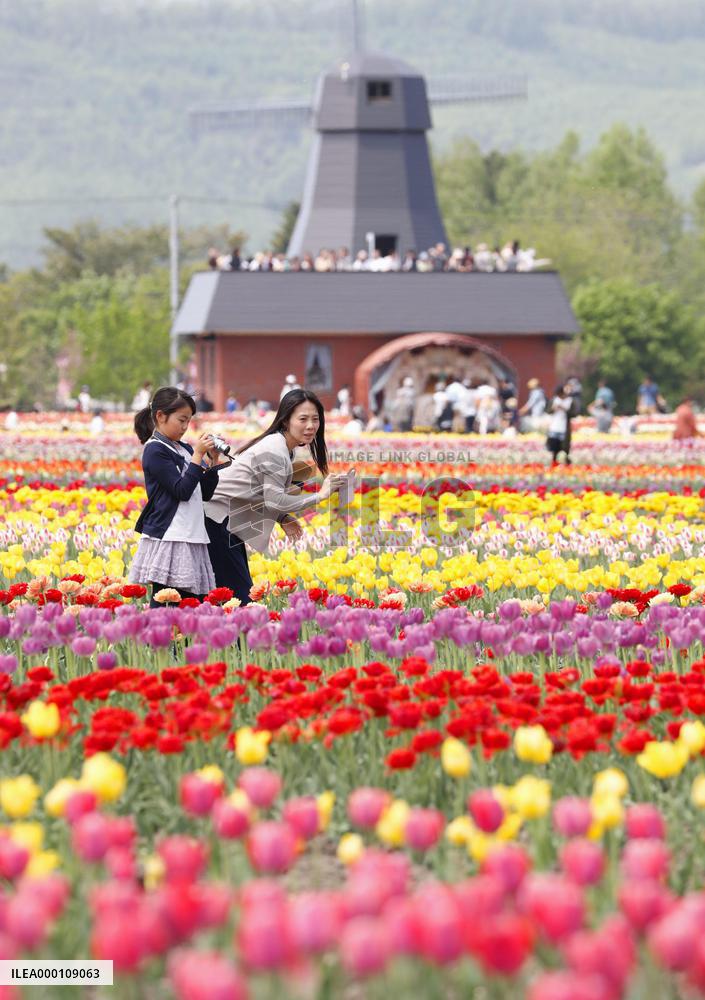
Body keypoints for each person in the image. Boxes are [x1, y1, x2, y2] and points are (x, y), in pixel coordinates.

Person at [203, 389, 347, 603]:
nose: (310, 426)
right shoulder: (276, 450)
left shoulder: (284, 448)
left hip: (225, 521)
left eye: (315, 419)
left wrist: (282, 517)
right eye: (303, 419)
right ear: (286, 420)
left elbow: (262, 491)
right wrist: (322, 495)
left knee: (232, 597)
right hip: (215, 522)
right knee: (238, 599)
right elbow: (274, 499)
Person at [129, 386, 226, 607]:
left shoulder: (183, 448)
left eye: (188, 421)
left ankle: (183, 643)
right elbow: (181, 491)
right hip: (171, 534)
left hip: (191, 533)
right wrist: (198, 455)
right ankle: (162, 642)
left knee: (191, 605)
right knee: (167, 603)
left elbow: (205, 492)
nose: (185, 427)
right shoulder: (155, 450)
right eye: (181, 420)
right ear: (160, 416)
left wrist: (212, 460)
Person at [546, 385, 573, 465]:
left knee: (564, 447)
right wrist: (553, 409)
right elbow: (548, 411)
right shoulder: (554, 400)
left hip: (564, 428)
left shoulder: (570, 401)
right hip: (554, 427)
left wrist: (563, 408)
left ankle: (565, 462)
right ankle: (554, 461)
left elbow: (573, 413)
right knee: (554, 446)